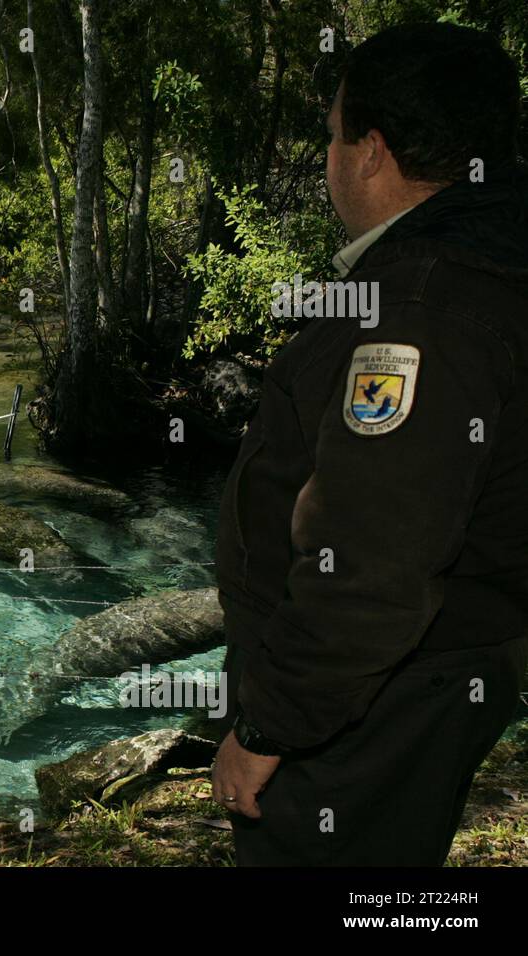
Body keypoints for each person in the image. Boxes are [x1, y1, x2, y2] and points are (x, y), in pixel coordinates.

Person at [211, 21, 528, 865]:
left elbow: (371, 559)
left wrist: (268, 726)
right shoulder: (485, 265)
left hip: (374, 704)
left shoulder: (420, 306)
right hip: (423, 675)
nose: (328, 158)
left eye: (331, 135)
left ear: (372, 151)